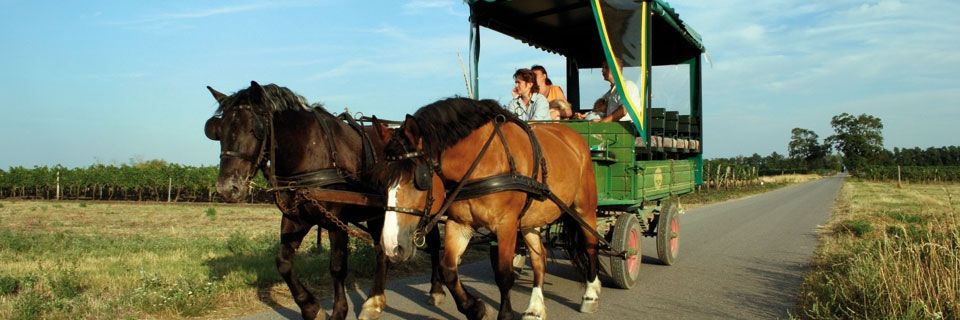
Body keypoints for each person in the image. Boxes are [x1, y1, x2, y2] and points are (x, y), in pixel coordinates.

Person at [598, 58, 640, 122]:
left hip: (626, 129)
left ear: (616, 69)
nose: (602, 70)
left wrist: (601, 123)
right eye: (603, 68)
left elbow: (623, 110)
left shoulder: (627, 85)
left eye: (606, 67)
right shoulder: (609, 93)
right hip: (614, 128)